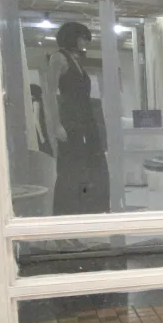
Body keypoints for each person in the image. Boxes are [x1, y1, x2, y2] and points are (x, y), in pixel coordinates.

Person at [48, 21, 109, 215]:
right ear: (72, 37)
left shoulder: (76, 60)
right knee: (70, 167)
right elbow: (49, 94)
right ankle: (66, 213)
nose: (85, 43)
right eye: (82, 38)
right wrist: (56, 124)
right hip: (71, 119)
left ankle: (90, 210)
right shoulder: (58, 58)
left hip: (86, 118)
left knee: (91, 166)